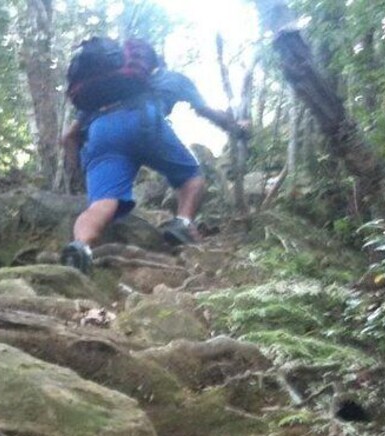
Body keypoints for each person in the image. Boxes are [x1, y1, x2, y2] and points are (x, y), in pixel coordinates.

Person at [60, 52, 247, 274]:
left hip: (101, 131)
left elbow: (69, 136)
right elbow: (206, 112)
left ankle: (80, 248)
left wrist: (79, 172)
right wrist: (237, 127)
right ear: (157, 65)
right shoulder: (171, 78)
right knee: (192, 177)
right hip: (144, 120)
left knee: (102, 204)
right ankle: (183, 223)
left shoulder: (104, 91)